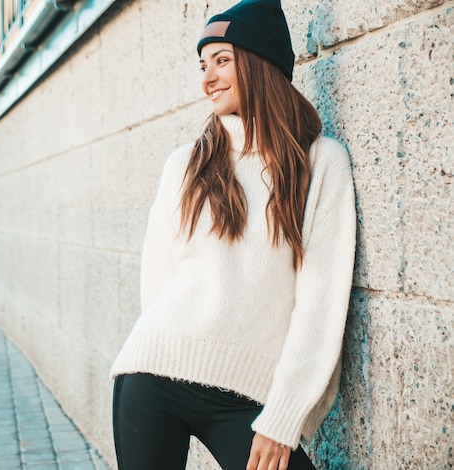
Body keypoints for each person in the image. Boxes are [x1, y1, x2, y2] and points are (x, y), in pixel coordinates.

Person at [110, 1, 356, 469]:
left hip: (249, 397)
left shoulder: (320, 162)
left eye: (222, 60)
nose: (207, 78)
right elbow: (158, 279)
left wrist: (281, 418)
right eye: (203, 65)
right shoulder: (186, 163)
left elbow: (320, 301)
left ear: (262, 63)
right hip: (155, 373)